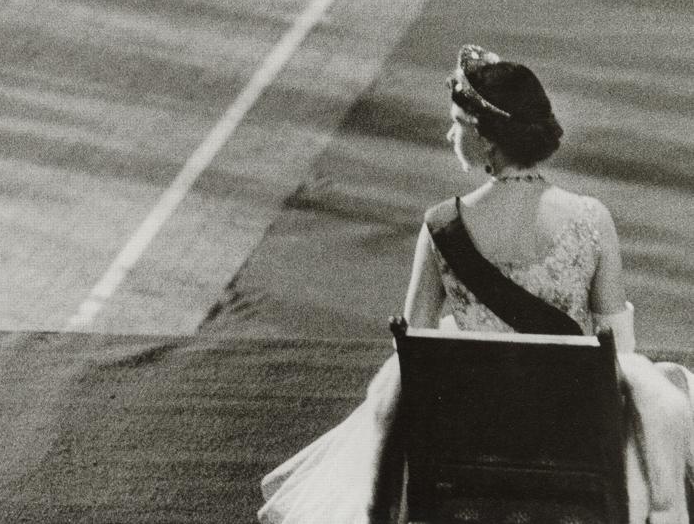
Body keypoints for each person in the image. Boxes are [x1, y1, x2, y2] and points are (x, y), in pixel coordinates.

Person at [259, 45, 694, 523]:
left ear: (488, 138)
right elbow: (621, 349)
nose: (449, 134)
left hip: (473, 436)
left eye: (457, 124)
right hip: (573, 434)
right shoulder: (593, 220)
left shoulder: (442, 226)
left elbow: (415, 357)